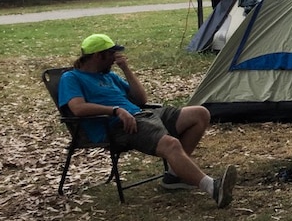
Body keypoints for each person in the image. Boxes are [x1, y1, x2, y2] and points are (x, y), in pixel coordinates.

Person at [58, 33, 237, 208]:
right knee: (171, 144)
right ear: (98, 55)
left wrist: (126, 70)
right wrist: (115, 111)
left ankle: (174, 176)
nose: (115, 58)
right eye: (112, 54)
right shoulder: (71, 78)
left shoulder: (110, 76)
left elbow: (141, 100)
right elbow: (78, 108)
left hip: (142, 115)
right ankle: (212, 187)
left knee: (200, 114)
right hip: (118, 126)